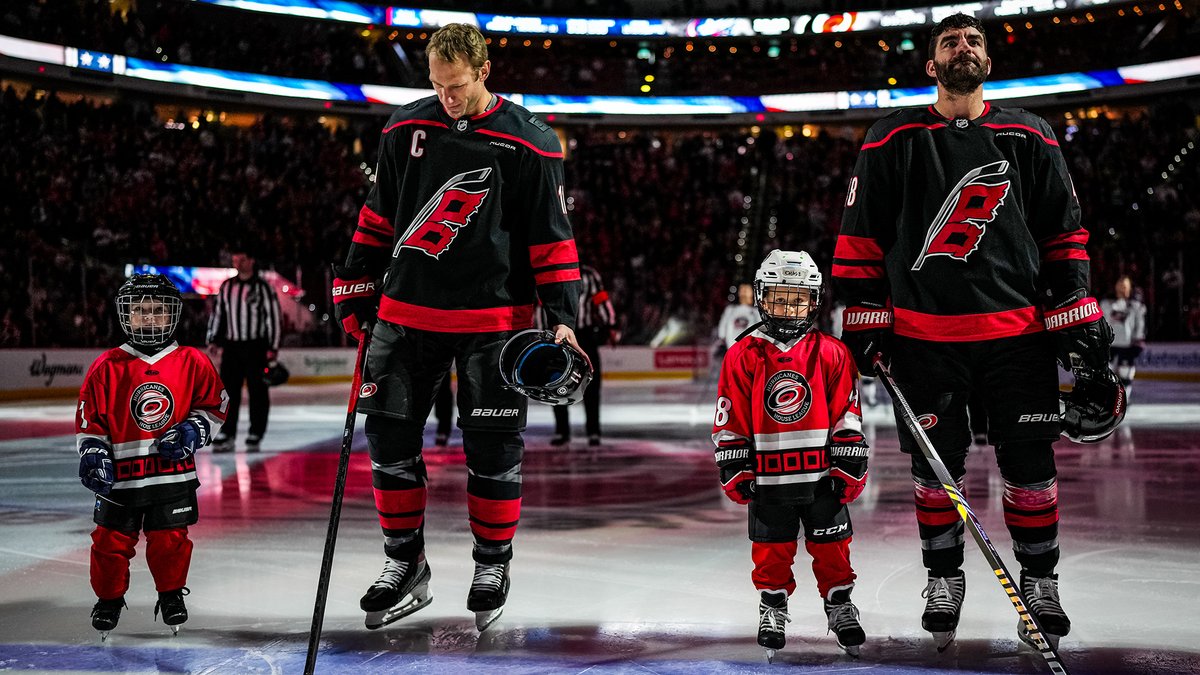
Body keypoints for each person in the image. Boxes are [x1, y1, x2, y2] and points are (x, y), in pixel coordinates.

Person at [832, 13, 1112, 652]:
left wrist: (1074, 309)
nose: (964, 48)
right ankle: (944, 577)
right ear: (931, 65)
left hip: (1017, 337)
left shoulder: (1031, 135)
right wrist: (866, 318)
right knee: (936, 470)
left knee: (1031, 465)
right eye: (950, 42)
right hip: (924, 340)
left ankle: (1039, 584)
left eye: (975, 41)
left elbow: (1064, 234)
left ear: (989, 60)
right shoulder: (890, 137)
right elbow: (858, 241)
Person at [331, 22, 582, 633]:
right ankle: (403, 563)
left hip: (493, 322)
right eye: (438, 85)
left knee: (493, 452)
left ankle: (492, 564)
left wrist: (565, 316)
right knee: (389, 445)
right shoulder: (403, 128)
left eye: (458, 86)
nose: (447, 98)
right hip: (403, 316)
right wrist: (354, 287)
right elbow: (377, 216)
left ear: (485, 71)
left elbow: (550, 238)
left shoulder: (531, 141)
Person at [712, 250, 869, 660]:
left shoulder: (832, 352)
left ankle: (839, 604)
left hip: (821, 476)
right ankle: (772, 606)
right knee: (771, 549)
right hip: (769, 477)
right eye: (781, 296)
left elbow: (846, 411)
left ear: (814, 300)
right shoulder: (742, 353)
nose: (789, 306)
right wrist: (734, 462)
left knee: (834, 546)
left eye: (798, 297)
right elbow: (730, 416)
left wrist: (849, 458)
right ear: (763, 297)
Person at [76, 274, 228, 639]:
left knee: (170, 540)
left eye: (158, 310)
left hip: (171, 474)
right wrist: (94, 451)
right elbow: (89, 419)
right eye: (141, 310)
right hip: (121, 478)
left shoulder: (192, 361)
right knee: (109, 542)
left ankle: (171, 593)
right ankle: (109, 600)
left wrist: (194, 430)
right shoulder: (107, 365)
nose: (150, 318)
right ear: (126, 315)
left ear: (172, 315)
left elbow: (215, 405)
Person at [206, 249, 281, 452]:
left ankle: (256, 431)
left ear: (252, 260)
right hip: (232, 346)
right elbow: (218, 314)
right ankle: (227, 432)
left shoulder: (263, 288)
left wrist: (272, 347)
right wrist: (213, 338)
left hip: (255, 346)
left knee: (258, 391)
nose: (237, 263)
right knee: (228, 392)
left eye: (242, 259)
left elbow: (272, 318)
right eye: (235, 259)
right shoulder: (227, 286)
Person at [550, 263, 617, 447]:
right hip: (560, 335)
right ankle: (564, 431)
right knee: (556, 382)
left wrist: (610, 325)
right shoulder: (558, 272)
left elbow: (601, 300)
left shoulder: (588, 274)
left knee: (591, 384)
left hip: (582, 334)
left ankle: (592, 431)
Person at [1101, 275, 1147, 396]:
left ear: (1130, 288)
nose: (1122, 289)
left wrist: (1139, 341)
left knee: (1126, 373)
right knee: (1107, 373)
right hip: (1109, 344)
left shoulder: (1136, 306)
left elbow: (1140, 325)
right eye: (1120, 285)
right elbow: (1101, 323)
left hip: (1128, 345)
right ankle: (1109, 400)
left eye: (1125, 286)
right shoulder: (1106, 303)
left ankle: (1124, 400)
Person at [716, 283, 759, 350]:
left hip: (750, 349)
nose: (744, 293)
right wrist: (722, 338)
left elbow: (761, 329)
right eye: (742, 290)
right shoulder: (731, 310)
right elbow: (722, 329)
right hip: (732, 348)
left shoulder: (756, 311)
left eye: (747, 290)